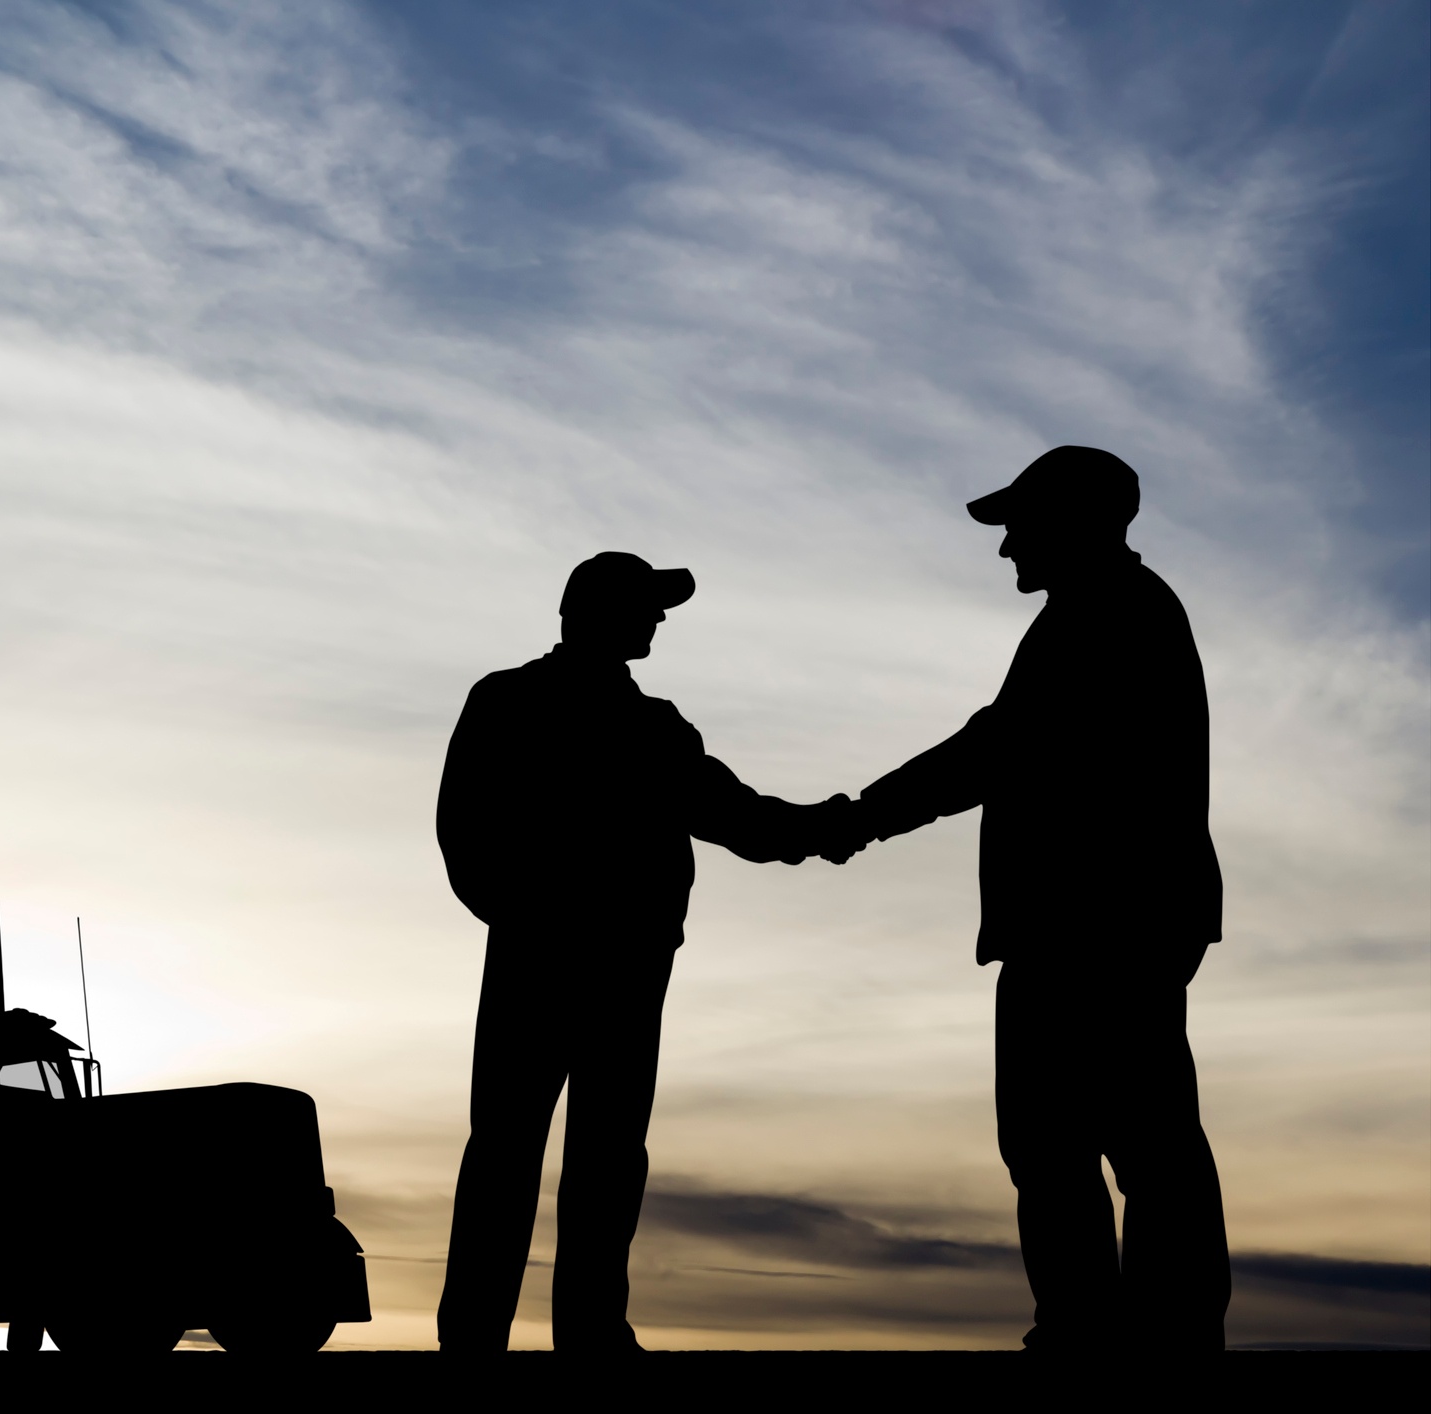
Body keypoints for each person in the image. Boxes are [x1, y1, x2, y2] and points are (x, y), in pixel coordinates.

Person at [836, 446, 1230, 1352]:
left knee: (1105, 1141)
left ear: (1072, 521)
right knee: (1099, 1138)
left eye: (1020, 524)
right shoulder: (1099, 613)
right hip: (1104, 916)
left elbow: (998, 747)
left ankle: (1122, 1334)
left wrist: (861, 816)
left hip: (1096, 921)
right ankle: (1110, 1328)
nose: (1007, 544)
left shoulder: (1108, 615)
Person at [435, 551, 851, 1353]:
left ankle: (582, 1330)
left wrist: (821, 826)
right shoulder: (511, 700)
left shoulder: (652, 725)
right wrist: (528, 916)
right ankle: (480, 1336)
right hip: (550, 955)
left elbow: (737, 816)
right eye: (645, 607)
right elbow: (466, 831)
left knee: (602, 1150)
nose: (657, 620)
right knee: (512, 1147)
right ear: (592, 612)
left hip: (623, 963)